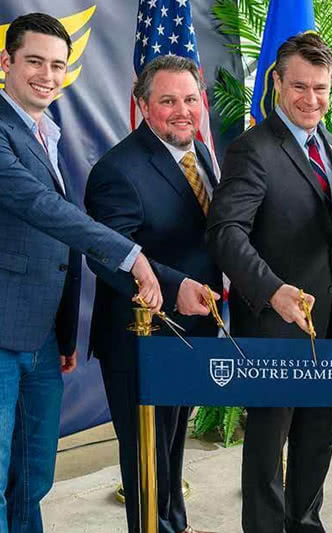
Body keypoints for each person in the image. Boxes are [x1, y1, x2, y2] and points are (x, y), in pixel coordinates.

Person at [0, 12, 160, 533]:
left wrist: (65, 329)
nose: (47, 75)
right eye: (34, 62)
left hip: (43, 336)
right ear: (6, 62)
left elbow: (53, 248)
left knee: (33, 477)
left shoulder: (45, 130)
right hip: (1, 335)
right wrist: (130, 255)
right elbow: (40, 206)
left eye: (57, 65)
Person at [206, 33, 332, 533]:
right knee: (269, 443)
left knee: (318, 432)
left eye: (322, 88)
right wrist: (271, 289)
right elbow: (225, 233)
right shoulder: (253, 149)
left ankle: (306, 524)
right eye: (300, 87)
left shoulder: (330, 143)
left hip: (326, 323)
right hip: (272, 324)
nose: (311, 100)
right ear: (277, 83)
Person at [84, 55, 222, 533]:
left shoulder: (200, 153)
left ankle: (174, 525)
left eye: (189, 99)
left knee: (173, 447)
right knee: (146, 455)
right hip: (139, 338)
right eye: (167, 101)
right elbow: (107, 254)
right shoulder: (116, 170)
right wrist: (175, 285)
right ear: (143, 105)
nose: (182, 110)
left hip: (191, 332)